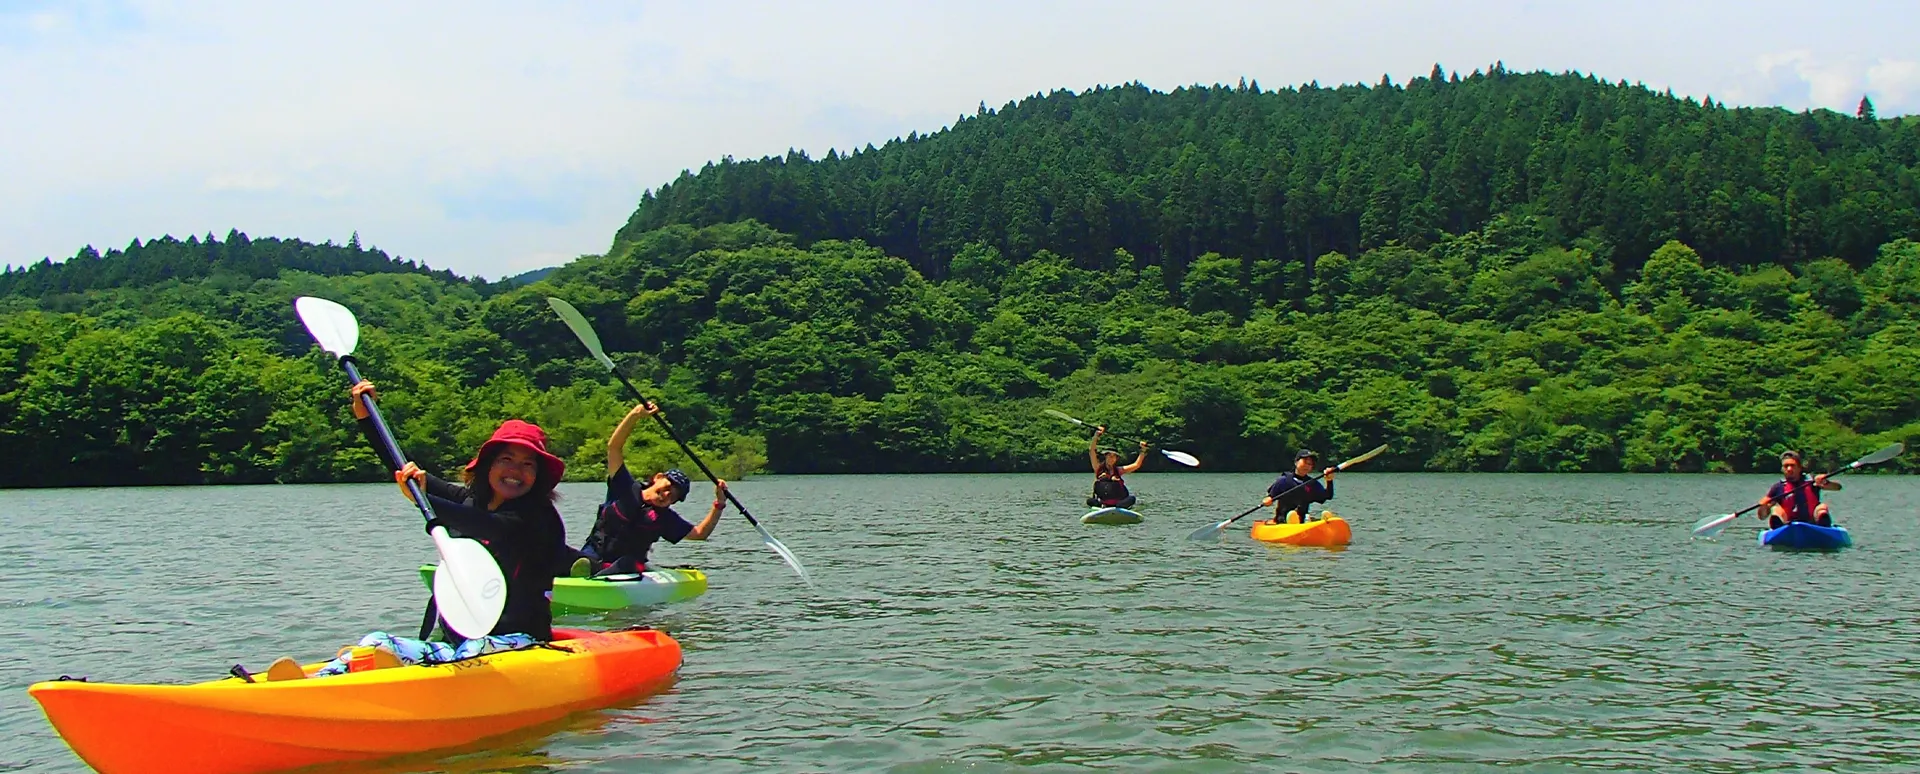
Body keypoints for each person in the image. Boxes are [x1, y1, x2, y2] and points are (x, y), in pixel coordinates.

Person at [262, 379, 568, 680]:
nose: (515, 471)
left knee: (475, 649)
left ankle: (394, 677)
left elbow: (494, 527)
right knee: (375, 641)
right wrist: (366, 415)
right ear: (488, 465)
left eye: (528, 465)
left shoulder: (540, 517)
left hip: (521, 643)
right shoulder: (470, 500)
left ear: (537, 476)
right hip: (458, 644)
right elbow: (400, 466)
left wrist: (423, 499)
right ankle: (314, 683)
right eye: (506, 459)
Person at [566, 401, 726, 579]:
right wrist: (635, 415)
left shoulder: (665, 518)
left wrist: (719, 504)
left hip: (625, 570)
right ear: (657, 478)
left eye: (672, 496)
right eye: (668, 487)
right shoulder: (624, 486)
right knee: (564, 553)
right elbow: (614, 447)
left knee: (627, 562)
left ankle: (594, 578)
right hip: (591, 558)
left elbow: (700, 534)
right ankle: (575, 575)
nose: (666, 495)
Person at [1758, 449, 1838, 528]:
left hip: (1813, 524)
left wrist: (1825, 482)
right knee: (1775, 510)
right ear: (1782, 469)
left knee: (1822, 507)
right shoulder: (1778, 487)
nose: (1789, 469)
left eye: (1792, 465)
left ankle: (1824, 528)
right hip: (1788, 526)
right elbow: (1762, 517)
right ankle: (1779, 529)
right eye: (1786, 466)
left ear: (1799, 467)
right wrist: (1763, 506)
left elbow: (1837, 487)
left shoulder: (1812, 481)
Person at [1261, 449, 1335, 524]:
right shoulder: (1283, 480)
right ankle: (1293, 520)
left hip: (1302, 521)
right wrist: (1267, 501)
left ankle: (1325, 521)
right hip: (1283, 521)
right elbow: (1271, 496)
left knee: (1307, 518)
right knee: (1292, 515)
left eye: (1310, 464)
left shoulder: (1312, 483)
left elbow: (1328, 495)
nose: (1307, 466)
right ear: (1296, 462)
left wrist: (1329, 481)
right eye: (1305, 462)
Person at [1086, 426, 1148, 509]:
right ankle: (1102, 506)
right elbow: (1092, 451)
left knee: (1132, 498)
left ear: (1116, 459)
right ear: (1105, 457)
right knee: (1090, 501)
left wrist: (1143, 451)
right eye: (1109, 456)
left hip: (1119, 503)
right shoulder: (1098, 468)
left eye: (1113, 456)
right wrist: (1096, 435)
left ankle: (1119, 507)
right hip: (1103, 503)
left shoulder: (1119, 470)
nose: (1111, 458)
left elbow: (1136, 465)